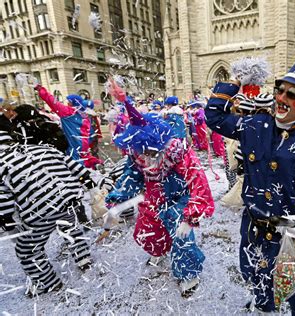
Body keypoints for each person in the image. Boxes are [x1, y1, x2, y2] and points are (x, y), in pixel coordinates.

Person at [205, 59, 295, 314]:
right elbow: (214, 116)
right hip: (254, 231)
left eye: (292, 94)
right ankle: (264, 306)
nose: (281, 98)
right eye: (279, 89)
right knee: (258, 282)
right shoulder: (255, 126)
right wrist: (237, 81)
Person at [106, 80, 215, 296]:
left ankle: (188, 275)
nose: (145, 157)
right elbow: (132, 175)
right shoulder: (137, 153)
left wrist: (190, 216)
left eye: (150, 152)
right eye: (141, 152)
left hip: (178, 198)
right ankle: (160, 249)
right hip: (153, 198)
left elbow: (199, 184)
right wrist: (117, 198)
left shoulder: (179, 153)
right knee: (145, 233)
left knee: (182, 239)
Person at [0, 128, 96, 296]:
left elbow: (4, 200)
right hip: (67, 200)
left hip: (39, 211)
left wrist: (5, 219)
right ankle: (84, 260)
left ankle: (49, 283)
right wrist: (88, 183)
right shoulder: (40, 148)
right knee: (71, 231)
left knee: (27, 250)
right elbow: (74, 166)